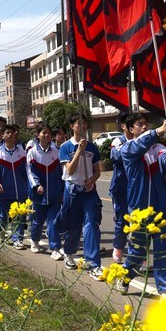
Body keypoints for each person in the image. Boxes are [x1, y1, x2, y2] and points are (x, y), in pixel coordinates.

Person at [117, 113, 166, 296]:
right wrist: (158, 130)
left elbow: (165, 157)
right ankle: (126, 275)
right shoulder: (128, 149)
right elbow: (139, 145)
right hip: (139, 211)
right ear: (131, 129)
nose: (144, 126)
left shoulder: (158, 147)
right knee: (137, 251)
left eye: (147, 123)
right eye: (140, 124)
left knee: (163, 251)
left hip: (160, 208)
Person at [58, 113, 103, 277]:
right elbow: (70, 170)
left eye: (84, 123)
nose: (82, 126)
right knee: (74, 227)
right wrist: (79, 151)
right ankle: (69, 252)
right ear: (72, 126)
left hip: (89, 192)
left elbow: (97, 170)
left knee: (91, 224)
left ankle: (93, 264)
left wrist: (91, 180)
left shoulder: (92, 147)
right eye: (78, 123)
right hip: (72, 192)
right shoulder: (65, 147)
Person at [26, 122, 63, 255]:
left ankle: (55, 248)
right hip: (38, 195)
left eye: (48, 133)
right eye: (43, 132)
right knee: (38, 221)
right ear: (38, 134)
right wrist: (37, 185)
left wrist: (62, 190)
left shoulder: (57, 153)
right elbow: (30, 172)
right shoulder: (32, 153)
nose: (46, 135)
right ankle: (34, 240)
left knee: (54, 221)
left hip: (54, 194)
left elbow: (62, 173)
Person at [0, 124, 29, 249]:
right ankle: (2, 233)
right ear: (3, 135)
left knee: (19, 215)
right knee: (3, 216)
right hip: (4, 191)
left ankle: (18, 239)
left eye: (12, 132)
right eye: (7, 132)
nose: (10, 134)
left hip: (20, 191)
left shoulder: (22, 152)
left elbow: (26, 172)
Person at [108, 112, 132, 264]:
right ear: (123, 126)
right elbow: (115, 156)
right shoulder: (118, 141)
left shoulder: (142, 140)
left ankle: (138, 254)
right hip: (120, 188)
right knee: (122, 221)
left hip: (138, 187)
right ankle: (118, 247)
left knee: (138, 222)